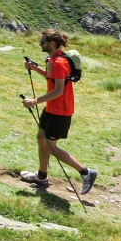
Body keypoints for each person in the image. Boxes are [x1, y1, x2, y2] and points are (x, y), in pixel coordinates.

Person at [21, 29, 97, 194]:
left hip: (60, 111)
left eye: (43, 42)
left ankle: (86, 173)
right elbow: (51, 77)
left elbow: (58, 90)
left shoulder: (59, 63)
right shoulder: (53, 59)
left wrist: (34, 101)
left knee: (50, 147)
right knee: (41, 137)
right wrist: (35, 68)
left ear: (52, 43)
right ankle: (42, 176)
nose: (40, 44)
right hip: (51, 108)